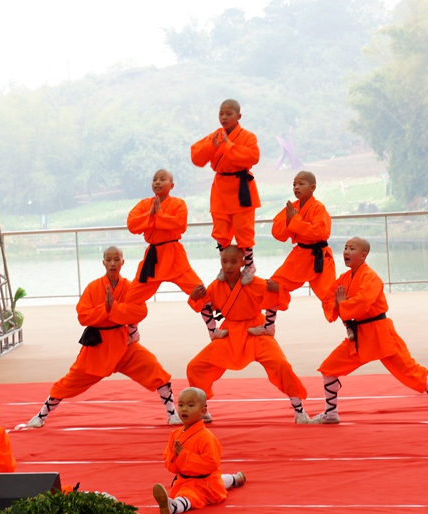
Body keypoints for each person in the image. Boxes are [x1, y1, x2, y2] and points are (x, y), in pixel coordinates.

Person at [310, 237, 428, 425]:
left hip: (380, 332)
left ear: (363, 255)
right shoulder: (345, 278)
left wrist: (343, 304)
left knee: (411, 370)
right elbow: (328, 296)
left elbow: (363, 302)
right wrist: (320, 280)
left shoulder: (371, 277)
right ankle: (331, 414)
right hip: (359, 335)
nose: (346, 251)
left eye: (352, 248)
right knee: (329, 368)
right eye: (346, 248)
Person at [28, 246, 181, 428]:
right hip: (98, 346)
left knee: (154, 368)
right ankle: (41, 415)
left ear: (123, 262)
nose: (113, 263)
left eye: (116, 259)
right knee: (70, 381)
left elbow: (141, 311)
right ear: (103, 263)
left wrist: (114, 309)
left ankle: (172, 413)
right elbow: (83, 316)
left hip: (123, 343)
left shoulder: (130, 287)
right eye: (109, 260)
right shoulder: (93, 287)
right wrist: (105, 309)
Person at [187, 246, 310, 423]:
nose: (228, 266)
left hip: (256, 330)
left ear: (243, 263)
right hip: (229, 333)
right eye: (224, 261)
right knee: (195, 367)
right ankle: (202, 409)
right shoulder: (216, 286)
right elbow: (204, 304)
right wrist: (194, 297)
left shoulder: (257, 283)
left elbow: (276, 299)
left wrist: (278, 289)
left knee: (280, 364)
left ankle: (299, 410)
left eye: (233, 262)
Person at [124, 169, 214, 342]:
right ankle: (132, 332)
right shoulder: (144, 204)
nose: (157, 182)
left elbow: (180, 225)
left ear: (171, 185)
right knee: (131, 298)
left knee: (200, 291)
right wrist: (150, 214)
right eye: (154, 179)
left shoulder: (179, 203)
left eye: (162, 179)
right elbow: (132, 225)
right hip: (153, 258)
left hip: (174, 255)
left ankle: (213, 330)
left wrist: (158, 214)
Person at [249, 171, 336, 336]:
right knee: (273, 285)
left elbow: (320, 232)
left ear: (312, 188)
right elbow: (277, 233)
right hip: (299, 256)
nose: (296, 187)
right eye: (294, 184)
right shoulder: (292, 208)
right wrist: (290, 220)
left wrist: (294, 221)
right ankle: (268, 325)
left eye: (301, 184)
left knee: (331, 296)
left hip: (319, 257)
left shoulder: (318, 207)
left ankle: (352, 325)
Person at [191, 99, 260, 286]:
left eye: (228, 113)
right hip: (220, 187)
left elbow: (252, 157)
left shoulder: (248, 137)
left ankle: (250, 265)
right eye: (221, 113)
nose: (224, 117)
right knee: (220, 230)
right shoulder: (216, 136)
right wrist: (212, 146)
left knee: (244, 230)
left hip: (241, 188)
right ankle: (225, 264)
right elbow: (196, 157)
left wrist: (228, 145)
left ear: (238, 116)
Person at [152, 388, 245, 514]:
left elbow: (211, 463)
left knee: (190, 496)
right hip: (184, 480)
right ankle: (236, 478)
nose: (184, 409)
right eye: (181, 405)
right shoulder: (175, 434)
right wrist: (175, 456)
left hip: (203, 483)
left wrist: (184, 455)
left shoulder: (206, 437)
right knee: (218, 481)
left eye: (190, 405)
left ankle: (173, 507)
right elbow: (168, 460)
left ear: (203, 411)